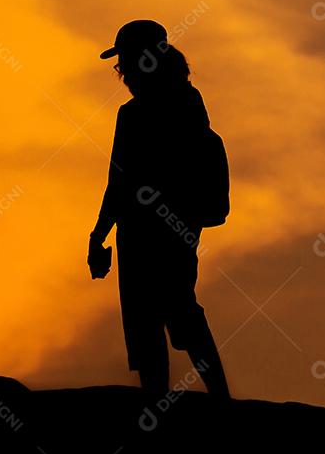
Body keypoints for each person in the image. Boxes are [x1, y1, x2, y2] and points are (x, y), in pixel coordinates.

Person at [88, 20, 230, 399]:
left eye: (126, 64)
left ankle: (208, 399)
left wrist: (98, 235)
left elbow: (119, 183)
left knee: (170, 309)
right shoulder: (186, 104)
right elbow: (119, 182)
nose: (124, 74)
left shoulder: (147, 113)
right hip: (156, 228)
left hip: (157, 229)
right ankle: (207, 398)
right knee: (161, 314)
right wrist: (100, 234)